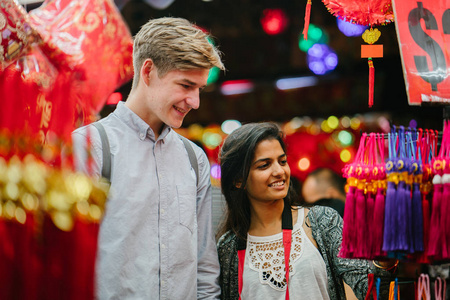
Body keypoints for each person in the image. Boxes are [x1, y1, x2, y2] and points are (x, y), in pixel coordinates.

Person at [72, 17, 224, 299]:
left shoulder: (195, 159)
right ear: (149, 71)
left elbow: (204, 266)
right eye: (186, 85)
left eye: (199, 89)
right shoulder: (89, 148)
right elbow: (67, 264)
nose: (195, 101)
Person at [216, 122, 396, 300]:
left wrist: (384, 260)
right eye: (264, 165)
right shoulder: (228, 247)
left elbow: (370, 291)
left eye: (282, 161)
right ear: (238, 180)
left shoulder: (322, 221)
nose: (279, 171)